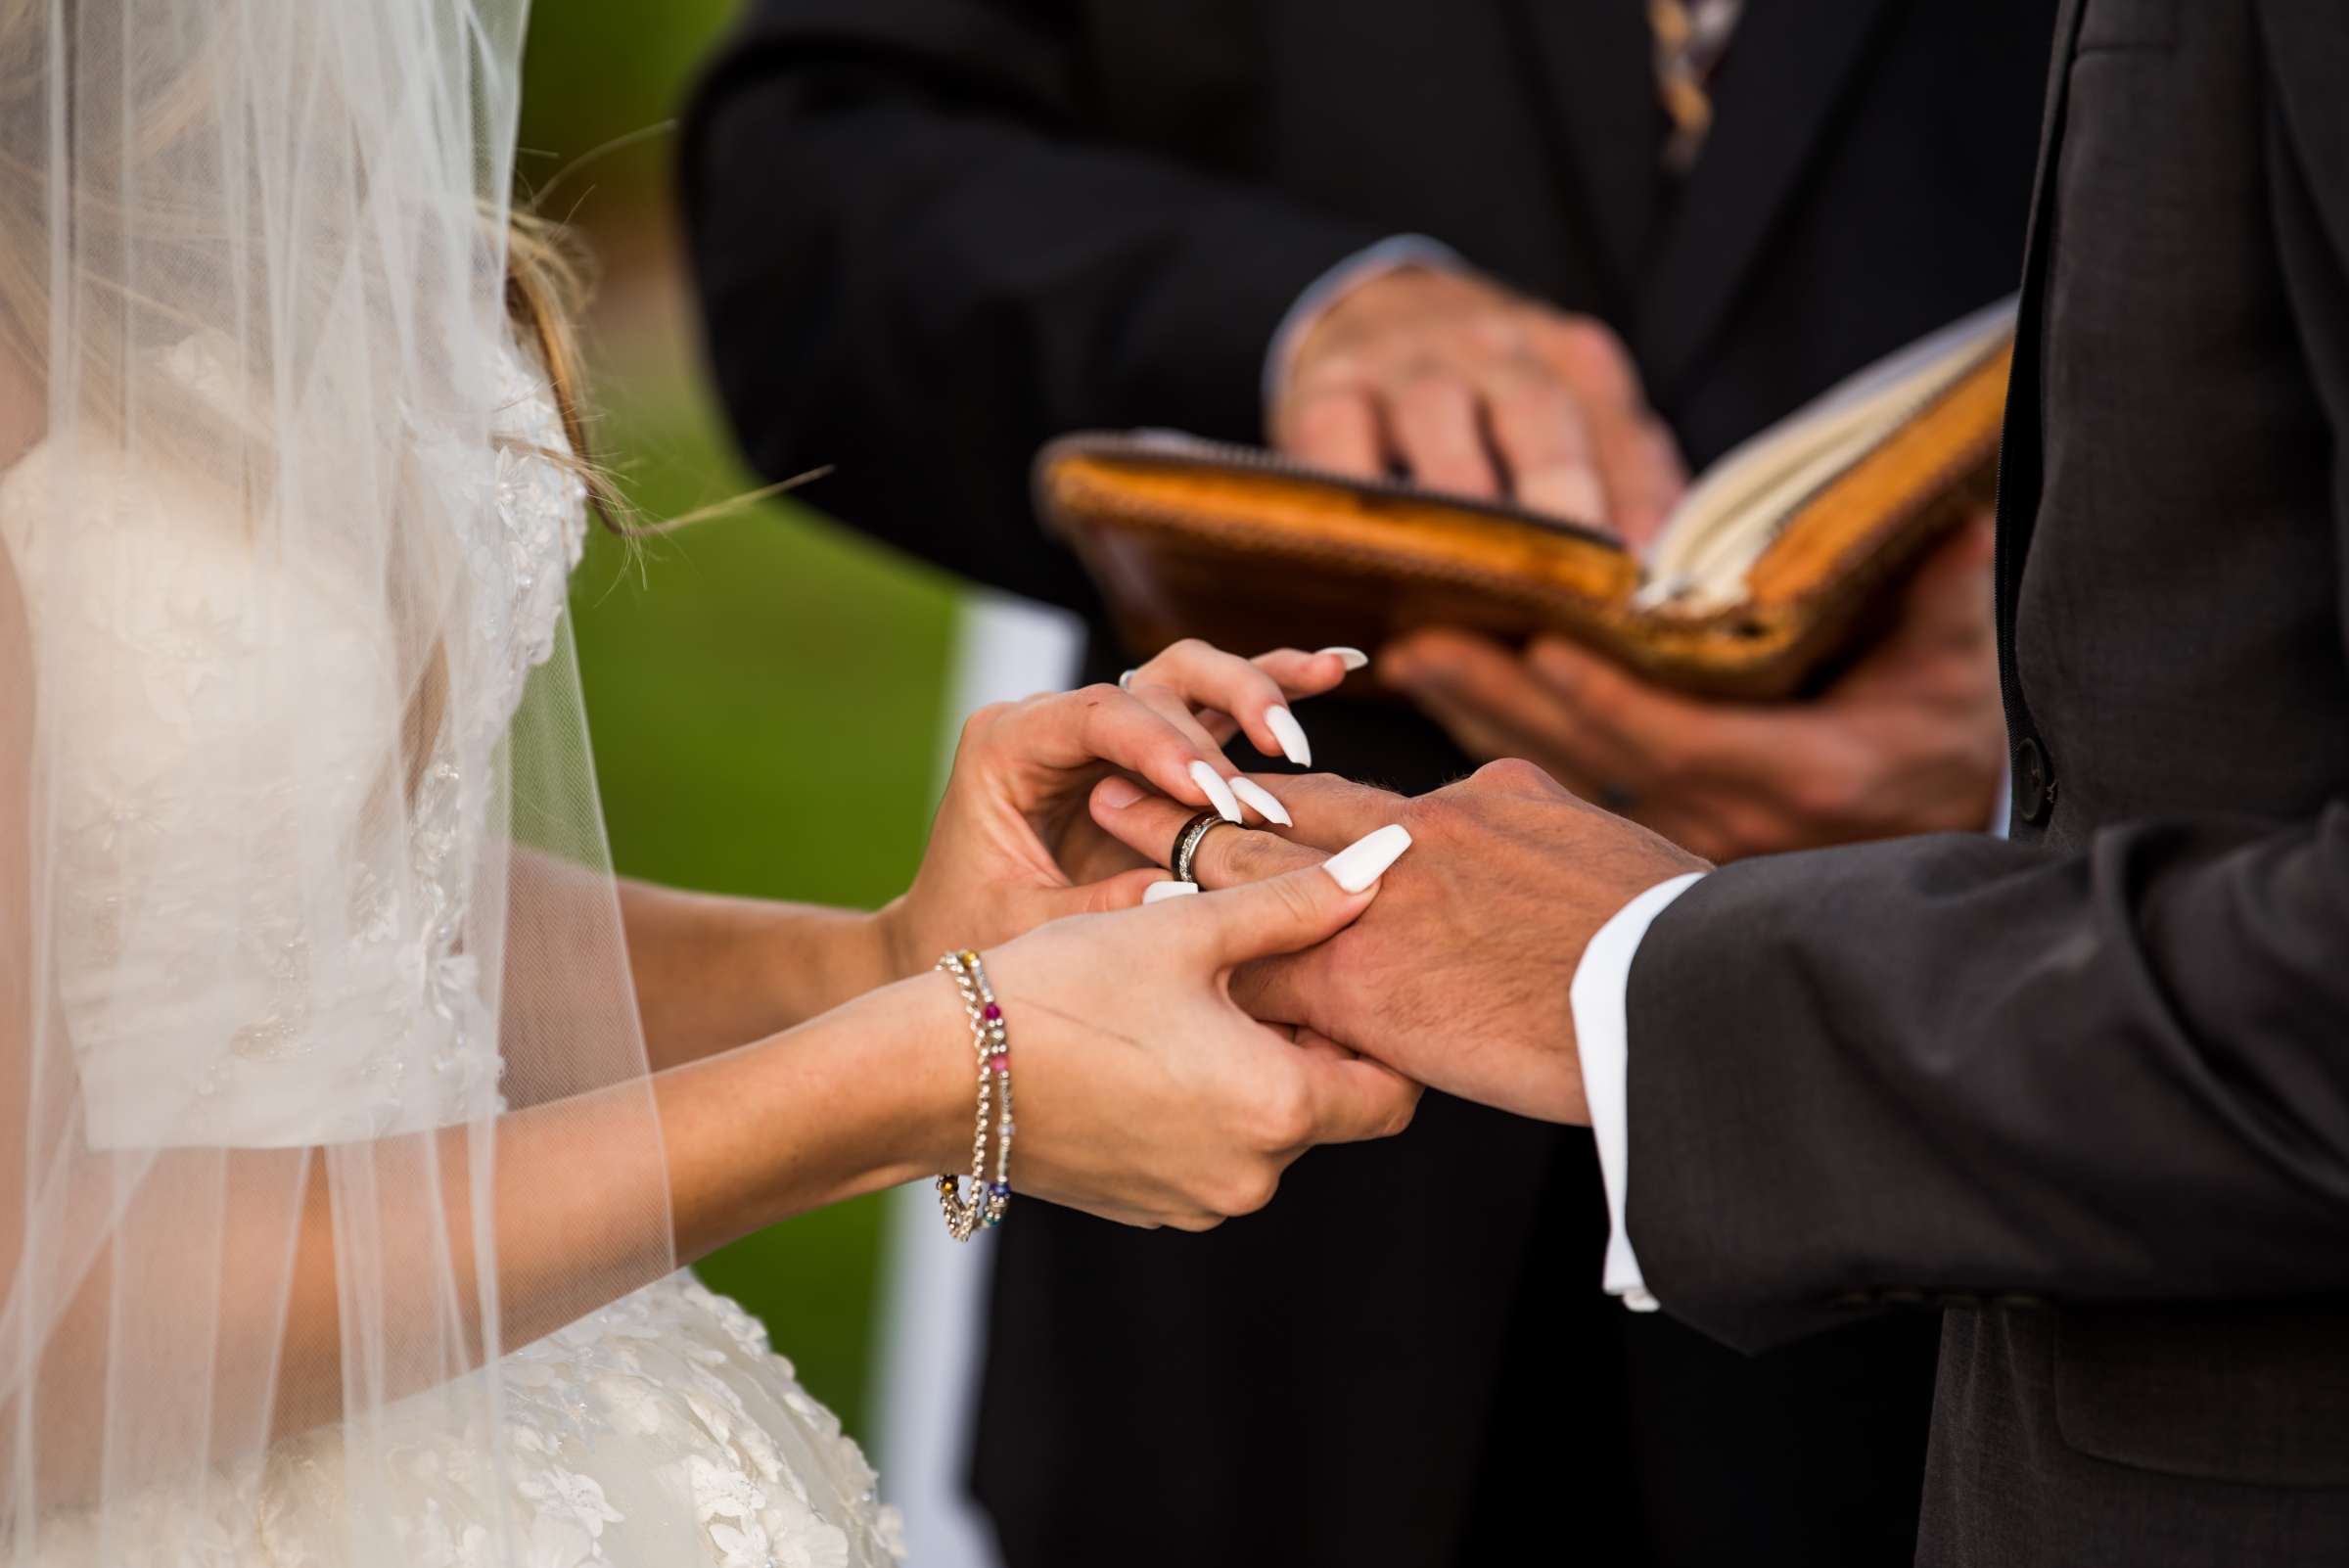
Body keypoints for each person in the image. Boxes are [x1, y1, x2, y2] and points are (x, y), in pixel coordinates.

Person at [0, 4, 1417, 1562]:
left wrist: (896, 956)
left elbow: (304, 916)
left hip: (511, 1418)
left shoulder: (188, 132)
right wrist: (927, 1072)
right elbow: (43, 1307)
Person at [683, 1, 2050, 1559]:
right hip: (1261, 1285)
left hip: (1944, 1304)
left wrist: (2027, 754)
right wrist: (1292, 316)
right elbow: (803, 179)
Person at [1087, 2, 2349, 1561]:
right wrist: (1298, 314)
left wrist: (1657, 984)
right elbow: (827, 143)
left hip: (1980, 1358)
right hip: (1267, 1332)